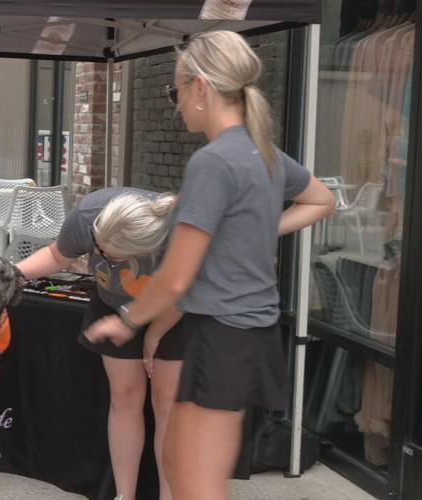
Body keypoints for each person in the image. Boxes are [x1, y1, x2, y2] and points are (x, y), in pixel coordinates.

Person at [85, 31, 335, 500]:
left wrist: (126, 322)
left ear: (200, 87)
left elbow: (176, 277)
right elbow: (322, 200)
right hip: (242, 336)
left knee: (196, 485)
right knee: (183, 470)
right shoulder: (263, 155)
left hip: (224, 336)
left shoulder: (214, 161)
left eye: (175, 91)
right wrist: (258, 231)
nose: (176, 104)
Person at [16, 188, 189, 500]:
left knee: (166, 403)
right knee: (124, 395)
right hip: (112, 305)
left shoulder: (177, 233)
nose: (104, 259)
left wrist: (154, 334)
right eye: (99, 250)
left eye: (115, 256)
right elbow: (58, 255)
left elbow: (182, 289)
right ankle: (124, 495)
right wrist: (12, 274)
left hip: (172, 312)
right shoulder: (87, 217)